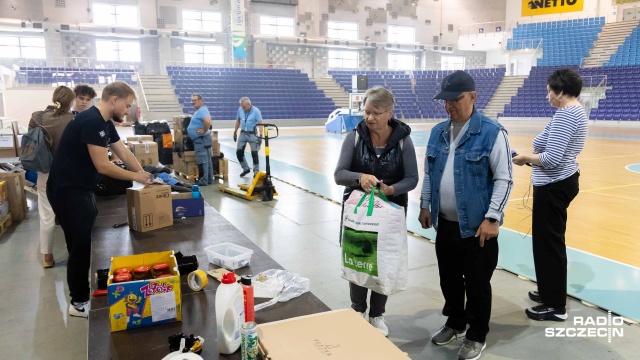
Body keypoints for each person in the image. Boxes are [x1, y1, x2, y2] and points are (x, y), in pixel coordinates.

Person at [418, 70, 513, 360]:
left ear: (473, 97)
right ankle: (456, 322)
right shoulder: (437, 132)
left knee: (477, 284)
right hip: (445, 224)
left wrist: (493, 217)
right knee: (448, 278)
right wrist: (425, 204)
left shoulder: (492, 132)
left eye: (455, 99)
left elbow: (504, 178)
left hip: (477, 228)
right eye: (445, 100)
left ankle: (476, 334)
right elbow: (430, 172)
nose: (449, 105)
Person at [47, 81, 152, 318]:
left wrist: (145, 176)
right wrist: (136, 176)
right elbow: (103, 165)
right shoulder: (92, 121)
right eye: (126, 105)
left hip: (81, 188)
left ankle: (81, 295)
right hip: (67, 190)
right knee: (79, 246)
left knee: (83, 241)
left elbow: (122, 151)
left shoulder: (103, 121)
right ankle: (79, 302)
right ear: (114, 100)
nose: (127, 111)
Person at [334, 86, 418, 337]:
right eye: (366, 112)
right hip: (357, 212)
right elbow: (339, 174)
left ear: (389, 113)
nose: (369, 118)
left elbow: (412, 178)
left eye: (376, 113)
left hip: (390, 212)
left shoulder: (403, 140)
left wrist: (391, 189)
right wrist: (360, 177)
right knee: (360, 258)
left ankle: (377, 315)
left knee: (384, 260)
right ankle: (357, 310)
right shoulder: (355, 137)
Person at [512, 68, 587, 322]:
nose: (548, 97)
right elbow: (542, 141)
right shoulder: (572, 112)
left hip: (555, 185)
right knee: (546, 243)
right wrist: (537, 149)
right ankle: (549, 290)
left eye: (549, 92)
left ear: (561, 92)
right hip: (559, 182)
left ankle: (555, 306)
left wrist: (524, 158)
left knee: (549, 245)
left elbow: (551, 157)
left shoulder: (567, 115)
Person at [31, 86, 76, 268]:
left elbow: (33, 142)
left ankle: (47, 256)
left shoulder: (37, 117)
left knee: (46, 214)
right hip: (68, 173)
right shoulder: (73, 120)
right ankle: (73, 252)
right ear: (70, 101)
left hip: (45, 171)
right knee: (70, 213)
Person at [232, 97, 263, 177]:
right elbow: (238, 120)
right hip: (243, 134)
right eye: (241, 106)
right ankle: (246, 168)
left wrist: (260, 135)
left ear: (248, 104)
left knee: (254, 154)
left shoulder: (256, 111)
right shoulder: (240, 110)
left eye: (244, 106)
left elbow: (260, 123)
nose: (242, 108)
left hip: (253, 134)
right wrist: (235, 132)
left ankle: (256, 172)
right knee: (239, 152)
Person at [188, 94, 213, 186]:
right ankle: (209, 179)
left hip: (201, 139)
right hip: (202, 139)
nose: (193, 102)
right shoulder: (201, 110)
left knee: (202, 160)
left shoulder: (202, 110)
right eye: (192, 100)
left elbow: (207, 121)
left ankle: (203, 180)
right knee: (207, 159)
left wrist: (204, 130)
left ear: (201, 101)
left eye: (195, 100)